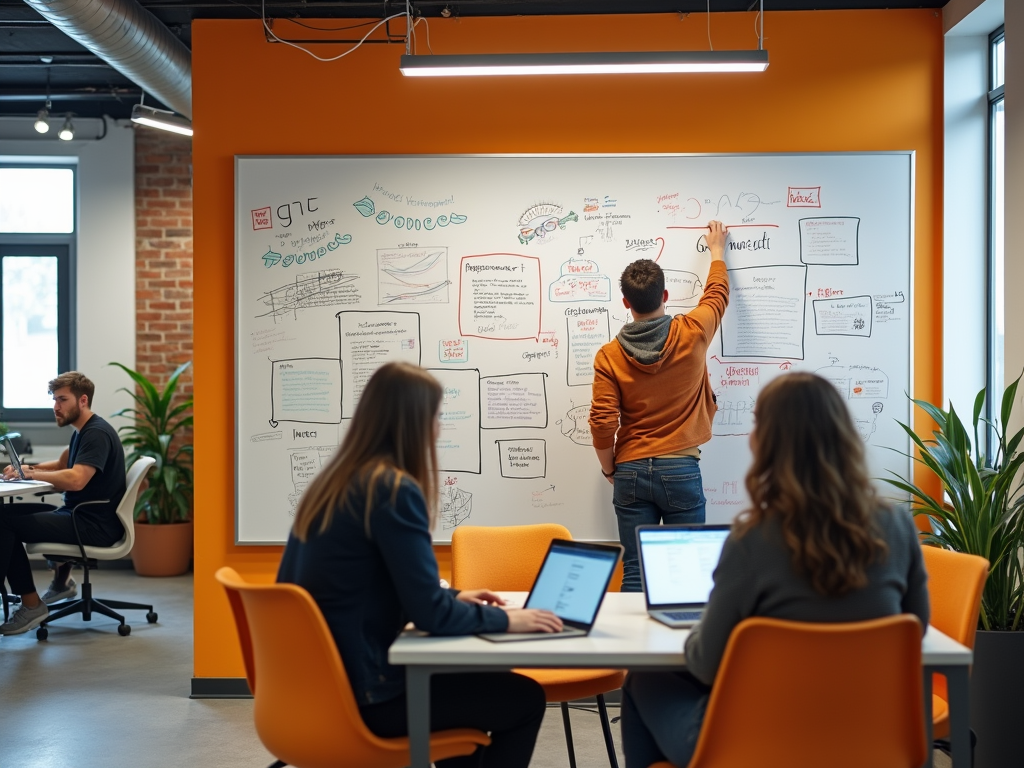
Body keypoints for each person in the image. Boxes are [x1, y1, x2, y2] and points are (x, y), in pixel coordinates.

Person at [619, 372, 931, 768]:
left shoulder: (752, 540)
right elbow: (915, 627)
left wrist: (705, 627)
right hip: (871, 734)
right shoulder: (897, 525)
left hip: (753, 744)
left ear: (766, 444)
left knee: (644, 681)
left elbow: (705, 664)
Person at [277, 361, 562, 768]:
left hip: (316, 689)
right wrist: (508, 622)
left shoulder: (333, 483)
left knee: (467, 728)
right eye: (436, 415)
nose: (439, 427)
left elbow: (380, 582)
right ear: (413, 423)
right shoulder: (391, 490)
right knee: (525, 699)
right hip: (368, 695)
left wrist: (456, 595)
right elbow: (429, 614)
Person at [589, 220, 730, 591]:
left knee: (636, 571)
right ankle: (684, 647)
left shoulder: (609, 355)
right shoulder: (694, 331)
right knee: (690, 572)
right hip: (681, 468)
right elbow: (716, 294)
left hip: (631, 471)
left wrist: (609, 471)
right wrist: (716, 252)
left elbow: (602, 423)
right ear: (665, 295)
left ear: (625, 303)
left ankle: (632, 651)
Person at [0, 371, 127, 636]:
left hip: (92, 524)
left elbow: (77, 479)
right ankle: (60, 583)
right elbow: (61, 466)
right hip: (81, 515)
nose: (56, 407)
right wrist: (26, 468)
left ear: (82, 400)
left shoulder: (96, 434)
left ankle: (32, 604)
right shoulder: (83, 430)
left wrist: (32, 474)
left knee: (3, 525)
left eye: (62, 400)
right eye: (54, 400)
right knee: (3, 513)